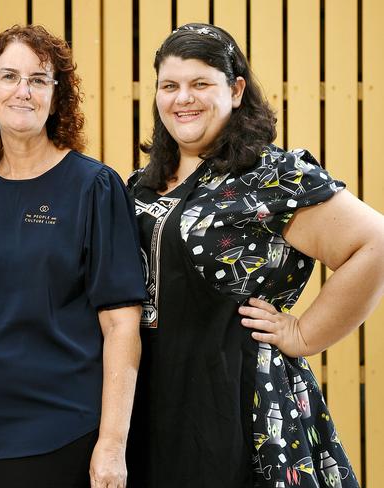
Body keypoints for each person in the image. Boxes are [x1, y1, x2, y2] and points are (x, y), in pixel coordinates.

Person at [126, 23, 384, 488]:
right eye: (170, 86)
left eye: (200, 83)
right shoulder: (138, 184)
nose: (183, 98)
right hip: (146, 398)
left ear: (236, 89)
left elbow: (375, 243)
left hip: (236, 400)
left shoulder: (272, 176)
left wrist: (303, 333)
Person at [0, 24, 146, 488]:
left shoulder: (93, 187)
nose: (23, 91)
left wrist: (112, 443)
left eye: (39, 80)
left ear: (57, 97)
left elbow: (121, 324)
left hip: (58, 426)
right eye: (9, 77)